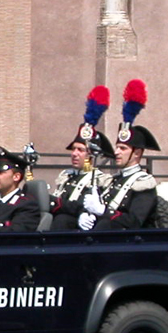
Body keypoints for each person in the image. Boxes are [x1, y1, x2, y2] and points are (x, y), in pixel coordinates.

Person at [79, 79, 160, 231]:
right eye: (117, 147)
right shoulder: (114, 180)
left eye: (123, 148)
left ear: (136, 153)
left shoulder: (143, 183)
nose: (116, 152)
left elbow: (134, 222)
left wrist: (103, 211)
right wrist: (85, 214)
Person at [50, 85, 114, 231]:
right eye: (73, 149)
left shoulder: (100, 180)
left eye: (80, 150)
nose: (74, 153)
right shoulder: (66, 176)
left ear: (90, 154)